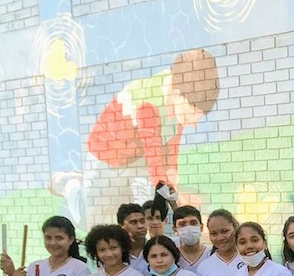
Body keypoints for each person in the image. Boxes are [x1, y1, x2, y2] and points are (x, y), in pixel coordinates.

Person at [87, 48, 219, 188]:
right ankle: (70, 185)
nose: (194, 124)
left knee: (147, 196)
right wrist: (174, 202)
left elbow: (170, 156)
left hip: (134, 158)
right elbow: (155, 163)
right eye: (192, 113)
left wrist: (176, 194)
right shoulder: (149, 106)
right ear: (176, 95)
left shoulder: (178, 103)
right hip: (104, 159)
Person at [172, 205, 211, 272]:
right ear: (175, 229)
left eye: (193, 223)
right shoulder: (172, 256)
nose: (188, 228)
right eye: (182, 224)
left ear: (201, 227)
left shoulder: (211, 254)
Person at [118, 203, 151, 276]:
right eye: (133, 222)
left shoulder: (155, 249)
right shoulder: (117, 254)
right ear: (121, 226)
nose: (140, 226)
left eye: (143, 221)